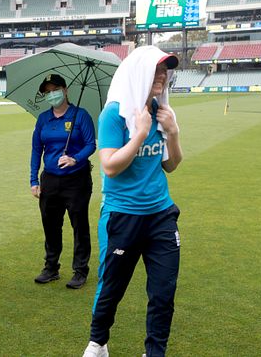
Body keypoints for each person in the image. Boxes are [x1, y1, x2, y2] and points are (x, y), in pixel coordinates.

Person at [82, 46, 183, 357]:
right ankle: (98, 343)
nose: (163, 76)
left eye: (166, 70)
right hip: (122, 216)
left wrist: (174, 132)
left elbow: (171, 164)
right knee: (111, 287)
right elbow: (110, 166)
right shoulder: (114, 113)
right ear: (140, 73)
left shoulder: (162, 111)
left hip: (161, 214)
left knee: (163, 292)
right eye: (157, 70)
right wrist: (139, 134)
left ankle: (155, 352)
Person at [30, 74, 96, 289]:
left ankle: (80, 270)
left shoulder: (80, 116)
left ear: (65, 90)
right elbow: (36, 150)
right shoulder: (43, 119)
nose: (52, 94)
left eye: (55, 89)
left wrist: (74, 158)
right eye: (47, 92)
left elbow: (90, 144)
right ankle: (51, 268)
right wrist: (33, 179)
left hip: (76, 180)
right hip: (49, 180)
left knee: (79, 225)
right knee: (50, 225)